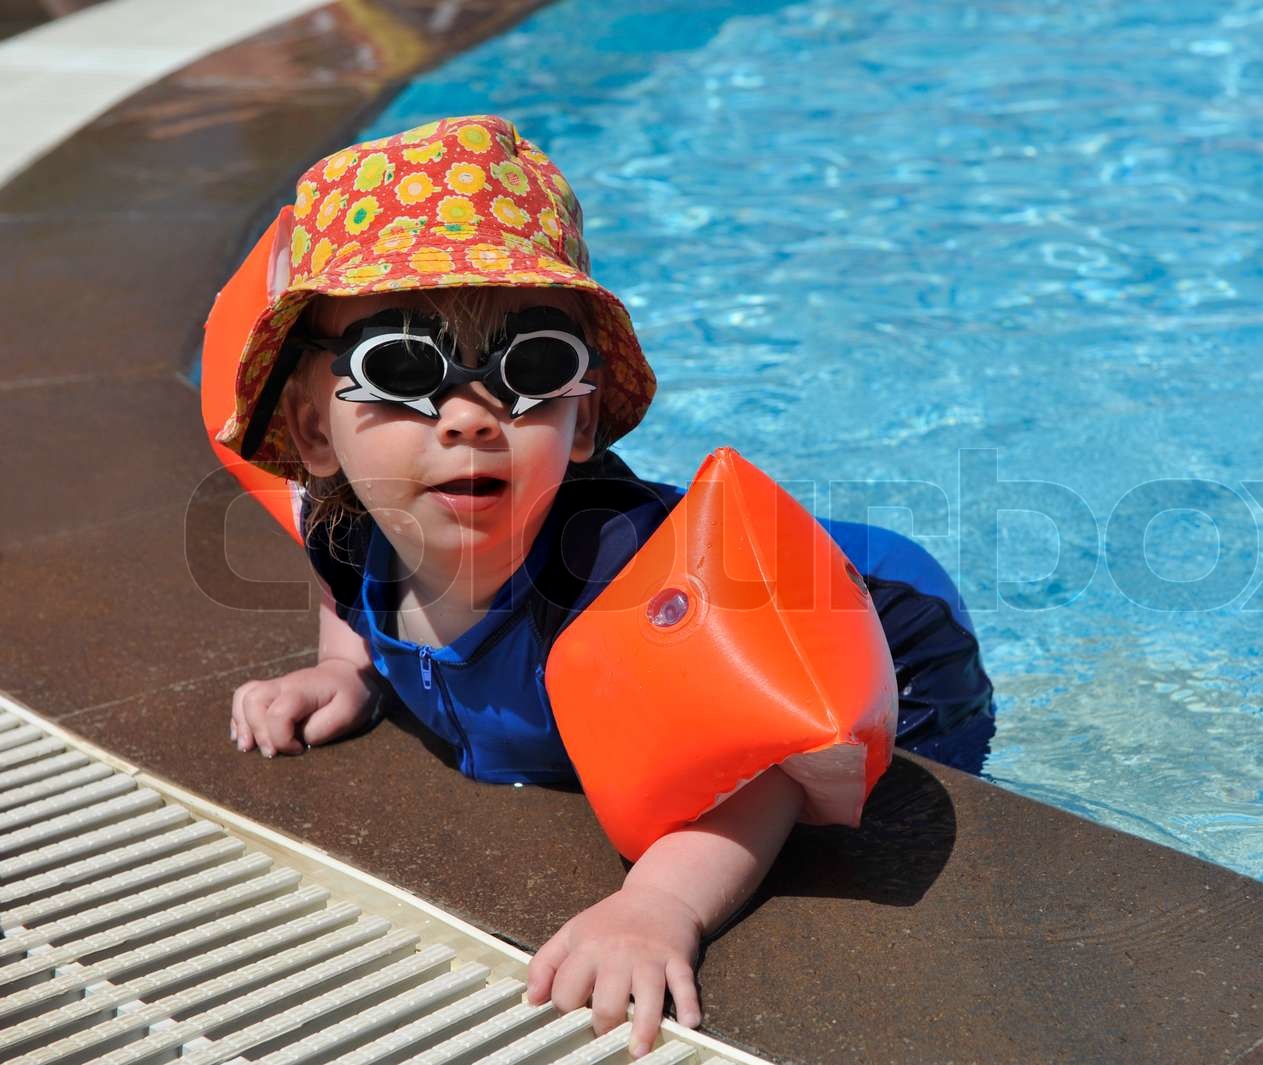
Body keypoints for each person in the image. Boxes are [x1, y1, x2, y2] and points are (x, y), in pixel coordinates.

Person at [210, 115, 994, 1057]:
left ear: (581, 420)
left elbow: (767, 764)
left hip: (870, 625)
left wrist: (659, 903)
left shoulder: (615, 580)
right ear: (312, 432)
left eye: (532, 365)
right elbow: (339, 575)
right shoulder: (347, 528)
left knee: (876, 808)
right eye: (402, 363)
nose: (470, 417)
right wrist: (348, 668)